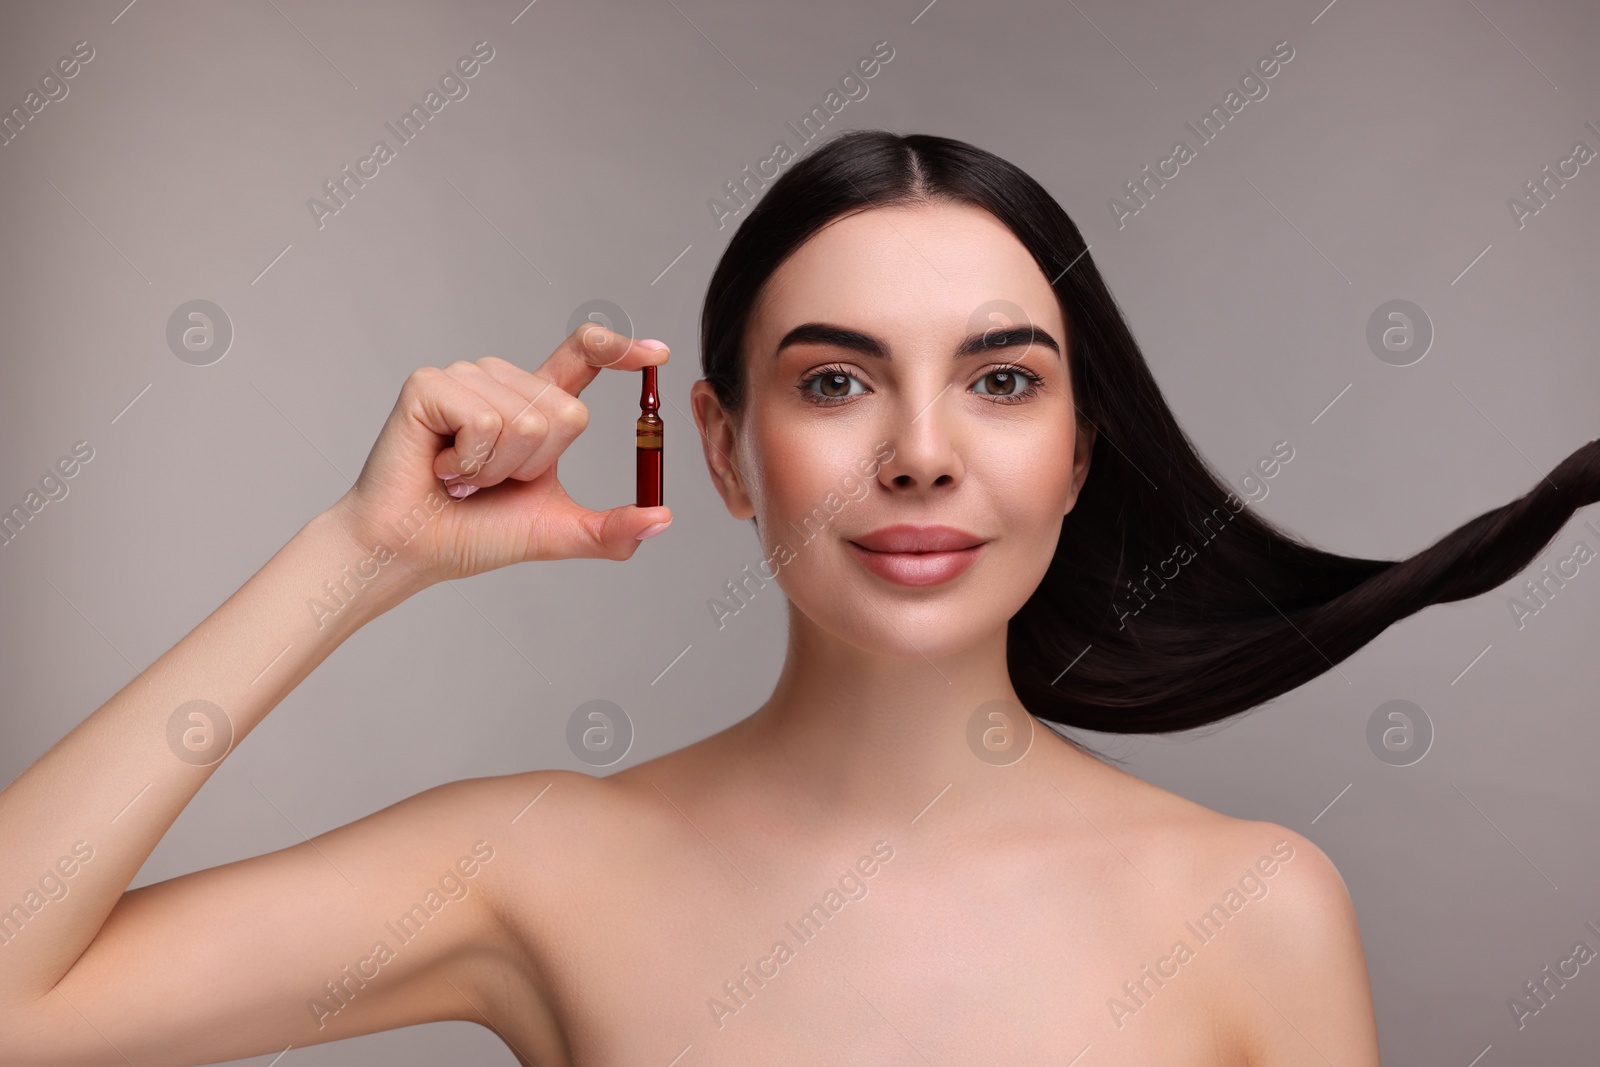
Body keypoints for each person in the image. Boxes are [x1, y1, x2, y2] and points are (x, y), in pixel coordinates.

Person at [3, 129, 1595, 1066]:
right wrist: (363, 555)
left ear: (1080, 450)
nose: (918, 454)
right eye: (836, 380)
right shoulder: (533, 869)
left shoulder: (1255, 909)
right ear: (725, 448)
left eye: (1000, 381)